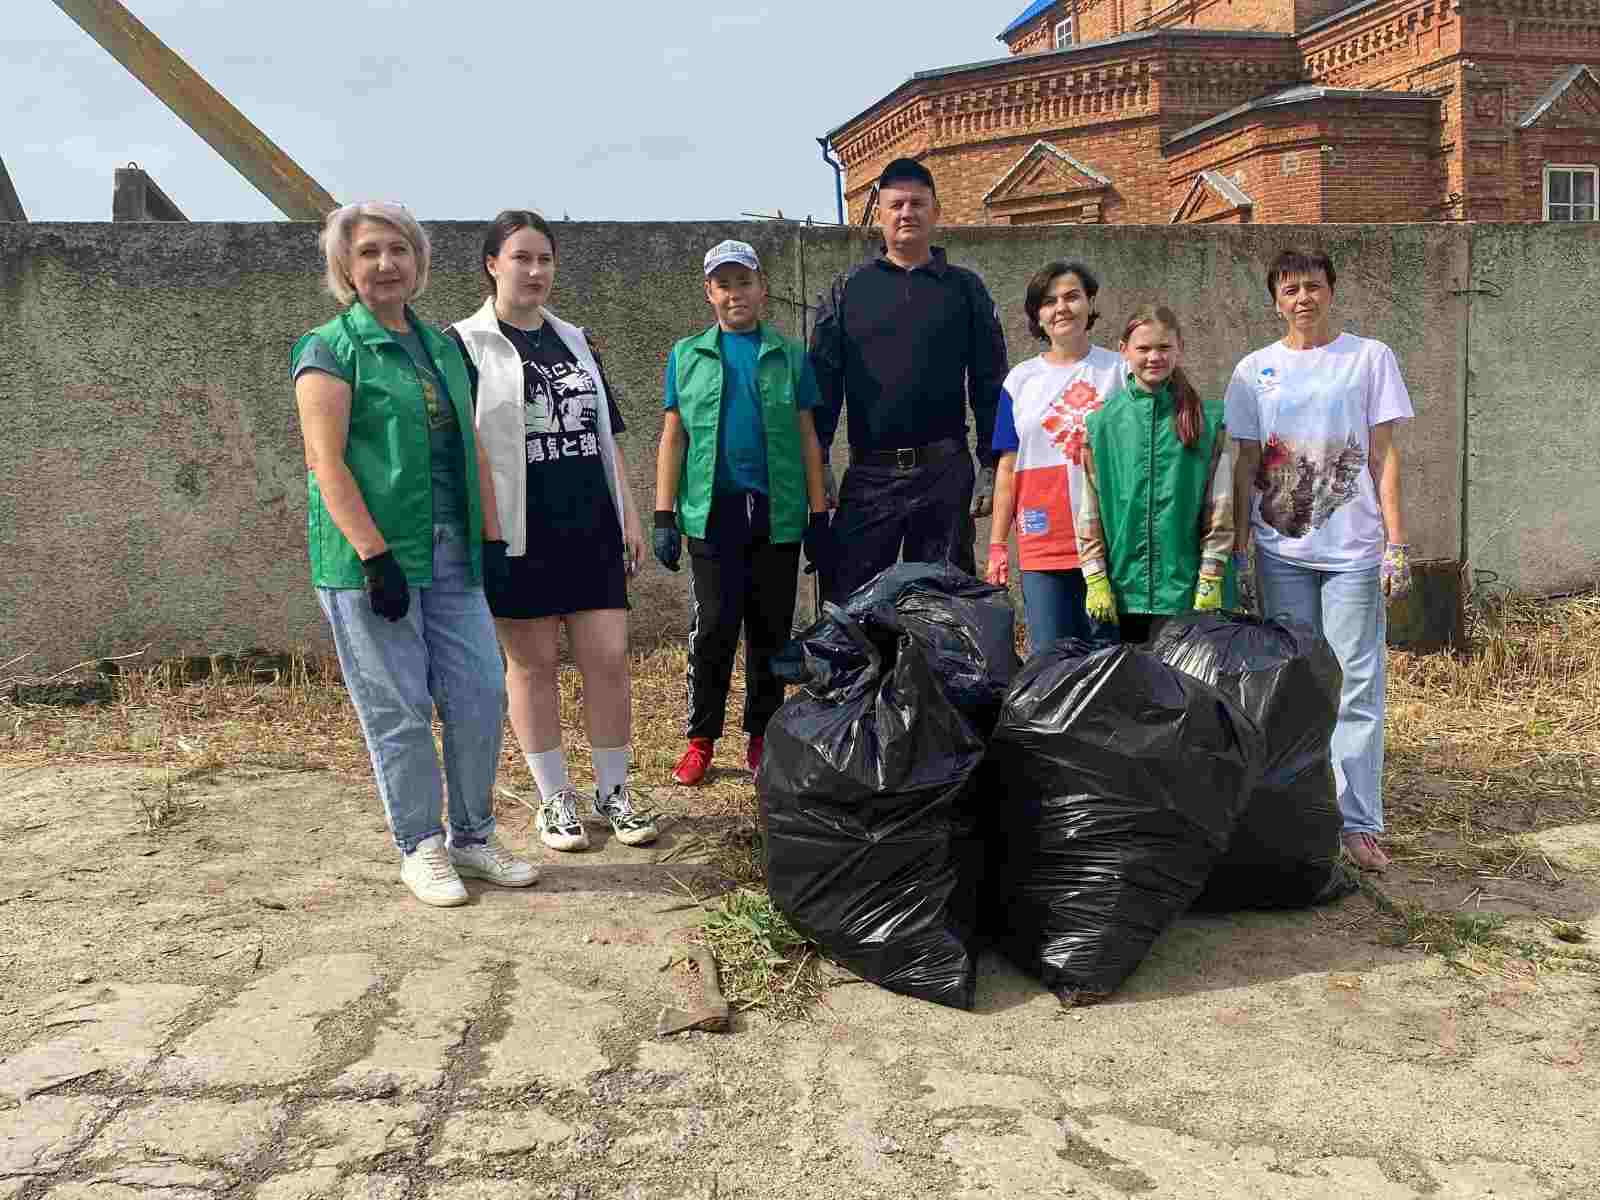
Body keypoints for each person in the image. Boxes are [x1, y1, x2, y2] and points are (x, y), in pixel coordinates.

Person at [291, 201, 536, 907]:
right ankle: (421, 846)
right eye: (368, 253)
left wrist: (492, 541)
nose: (385, 264)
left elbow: (475, 453)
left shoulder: (443, 347)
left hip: (452, 551)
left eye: (397, 249)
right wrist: (374, 556)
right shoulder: (329, 349)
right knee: (398, 707)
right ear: (345, 266)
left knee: (480, 691)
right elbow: (325, 463)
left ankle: (472, 835)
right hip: (373, 560)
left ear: (419, 262)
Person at [446, 210, 654, 854]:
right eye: (521, 259)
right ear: (492, 264)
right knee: (532, 665)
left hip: (589, 523)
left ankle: (613, 791)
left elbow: (605, 434)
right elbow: (462, 444)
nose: (535, 271)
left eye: (544, 259)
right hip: (517, 530)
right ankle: (554, 797)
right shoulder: (465, 344)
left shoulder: (576, 339)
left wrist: (630, 513)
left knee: (609, 659)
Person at [1225, 249, 1413, 873]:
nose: (1301, 297)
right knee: (1294, 685)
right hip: (1281, 551)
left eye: (1312, 285)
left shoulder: (1368, 358)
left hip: (1353, 554)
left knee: (1356, 687)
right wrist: (1239, 540)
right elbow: (1247, 462)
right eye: (1288, 288)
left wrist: (1396, 542)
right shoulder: (1255, 371)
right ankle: (1300, 818)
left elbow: (1385, 456)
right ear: (1274, 300)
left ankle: (1359, 821)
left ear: (1332, 291)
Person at [652, 240, 834, 785]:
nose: (736, 294)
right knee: (712, 629)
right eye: (724, 284)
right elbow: (673, 438)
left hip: (776, 514)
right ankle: (700, 739)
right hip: (713, 513)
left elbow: (808, 440)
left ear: (762, 288)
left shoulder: (788, 355)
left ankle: (762, 735)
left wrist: (818, 513)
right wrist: (664, 515)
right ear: (710, 292)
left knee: (771, 630)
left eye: (745, 282)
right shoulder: (686, 355)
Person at [810, 157, 1008, 603]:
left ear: (936, 212)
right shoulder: (848, 291)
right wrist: (818, 461)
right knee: (853, 603)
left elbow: (990, 381)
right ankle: (862, 676)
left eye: (918, 203)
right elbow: (821, 383)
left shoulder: (965, 290)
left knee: (944, 606)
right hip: (870, 475)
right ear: (878, 213)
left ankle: (934, 676)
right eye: (896, 204)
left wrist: (991, 465)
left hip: (944, 473)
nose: (907, 213)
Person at [985, 261, 1125, 656]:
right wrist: (997, 546)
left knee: (1109, 660)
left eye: (1071, 297)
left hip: (1109, 539)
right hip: (1042, 539)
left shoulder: (1119, 370)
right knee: (1051, 659)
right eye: (1049, 302)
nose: (1061, 308)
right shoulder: (1020, 380)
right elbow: (1008, 467)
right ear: (1037, 316)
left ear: (1090, 303)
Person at [1074, 304, 1234, 646]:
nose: (1153, 357)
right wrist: (1095, 577)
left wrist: (1211, 576)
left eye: (1163, 347)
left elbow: (1219, 506)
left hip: (1186, 588)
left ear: (1180, 348)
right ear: (1124, 351)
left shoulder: (1207, 420)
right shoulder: (1101, 424)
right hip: (1121, 589)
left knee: (1185, 694)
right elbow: (1088, 506)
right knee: (1131, 696)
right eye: (1143, 348)